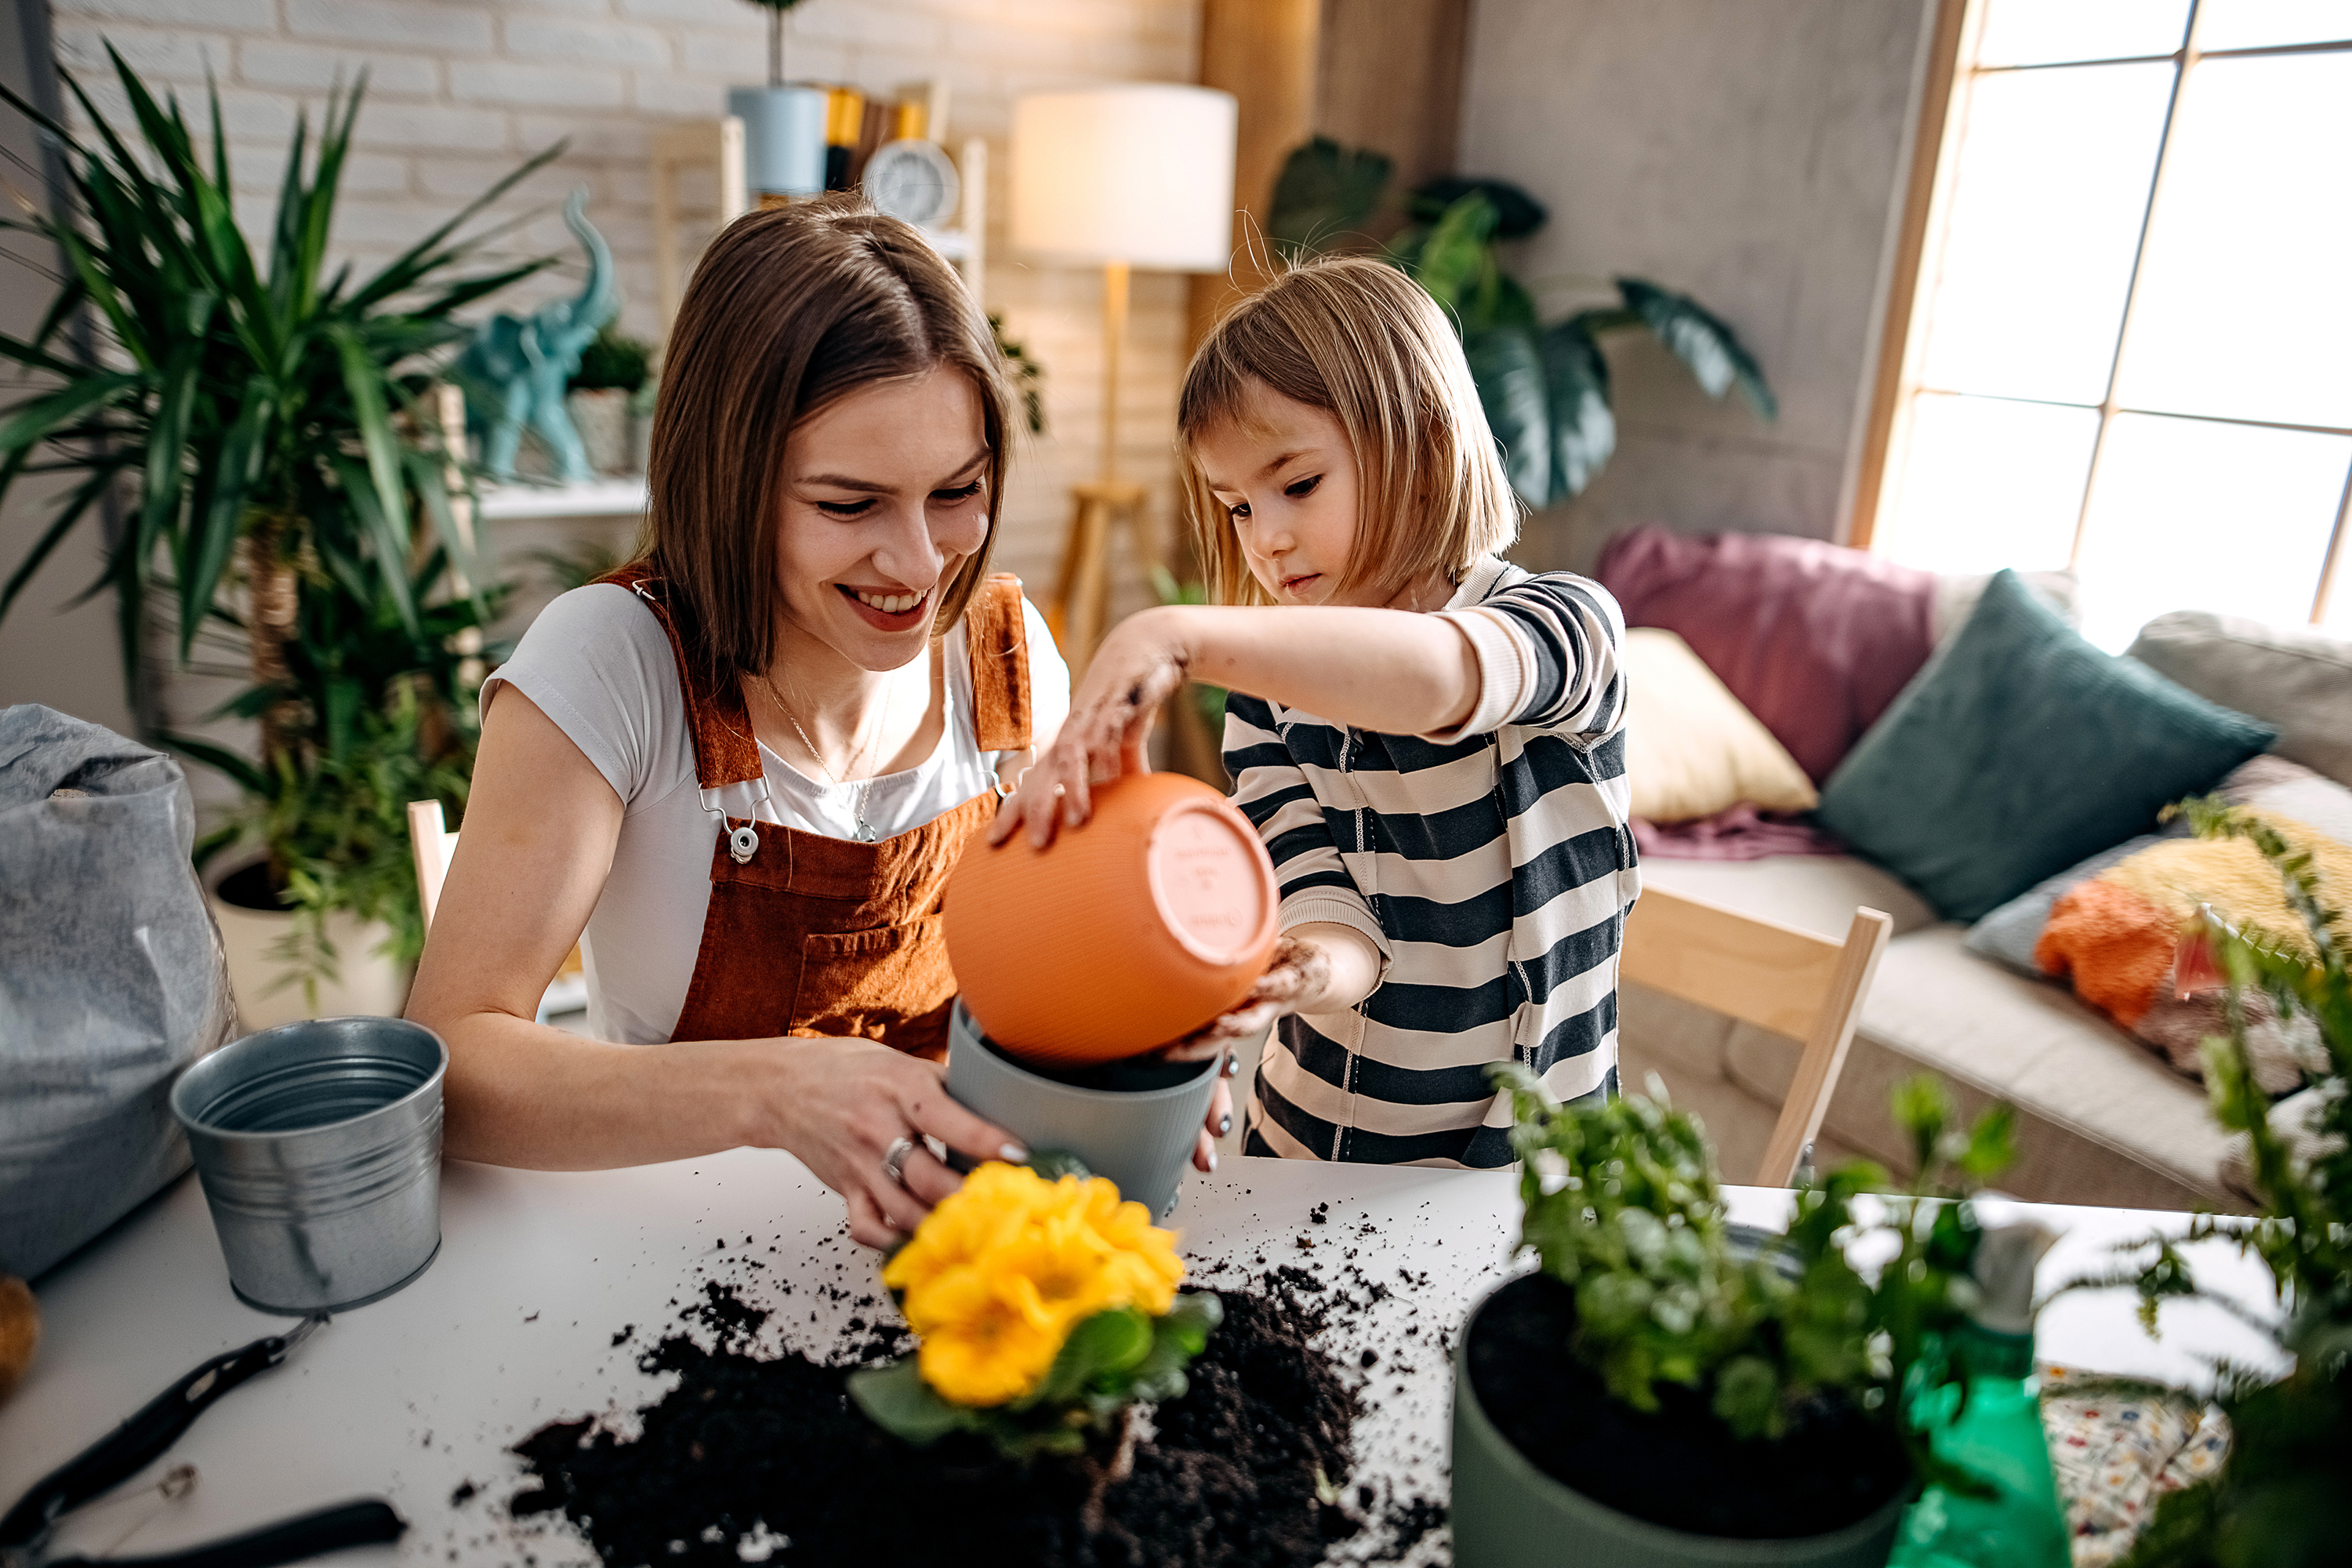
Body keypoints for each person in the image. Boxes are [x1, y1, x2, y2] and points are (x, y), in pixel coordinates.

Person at [409, 198, 1237, 1249]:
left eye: (957, 491)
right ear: (729, 480)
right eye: (850, 505)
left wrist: (1143, 1032)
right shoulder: (611, 660)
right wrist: (776, 1091)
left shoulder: (1010, 658)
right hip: (672, 1248)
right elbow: (452, 1066)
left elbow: (1064, 969)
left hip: (956, 1246)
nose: (920, 563)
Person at [995, 256, 1635, 1167]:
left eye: (1297, 485)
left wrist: (1170, 633)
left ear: (1423, 449)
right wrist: (1285, 973)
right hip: (1315, 1151)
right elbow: (1335, 919)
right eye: (1237, 507)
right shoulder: (1269, 699)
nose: (1267, 539)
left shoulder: (1569, 625)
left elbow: (1444, 678)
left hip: (1535, 1173)